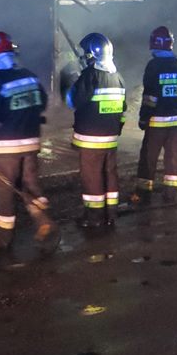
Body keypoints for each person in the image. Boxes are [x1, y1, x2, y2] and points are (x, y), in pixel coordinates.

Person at [0, 31, 52, 257]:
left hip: (5, 148)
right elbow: (42, 104)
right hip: (31, 144)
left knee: (3, 191)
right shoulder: (31, 77)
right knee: (29, 185)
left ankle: (2, 238)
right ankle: (42, 220)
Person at [67, 33, 127, 230]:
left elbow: (74, 102)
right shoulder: (118, 77)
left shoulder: (89, 76)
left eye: (86, 53)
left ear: (93, 53)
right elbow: (123, 110)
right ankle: (111, 214)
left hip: (91, 139)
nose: (84, 57)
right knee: (110, 175)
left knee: (92, 177)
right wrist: (117, 128)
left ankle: (93, 217)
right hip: (111, 139)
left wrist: (71, 83)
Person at [133, 26, 177, 205]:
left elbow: (150, 97)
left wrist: (144, 118)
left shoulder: (153, 66)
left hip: (156, 122)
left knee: (148, 159)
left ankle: (144, 195)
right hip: (175, 124)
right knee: (173, 159)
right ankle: (170, 194)